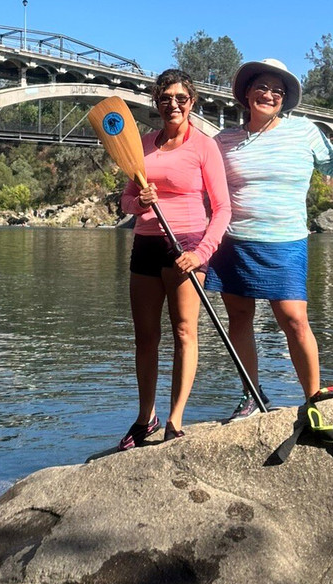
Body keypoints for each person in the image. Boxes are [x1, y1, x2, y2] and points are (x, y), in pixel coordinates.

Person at [204, 58, 333, 419]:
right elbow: (204, 189)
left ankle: (314, 398)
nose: (269, 94)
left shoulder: (304, 131)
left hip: (285, 241)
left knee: (294, 320)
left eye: (277, 90)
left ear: (285, 99)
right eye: (261, 87)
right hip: (234, 241)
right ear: (247, 93)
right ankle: (252, 395)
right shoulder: (222, 141)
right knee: (239, 319)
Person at [116, 69, 231, 449]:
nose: (173, 105)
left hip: (188, 246)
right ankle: (144, 418)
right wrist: (139, 202)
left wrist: (201, 253)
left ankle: (175, 419)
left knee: (185, 332)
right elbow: (126, 200)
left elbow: (222, 208)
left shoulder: (204, 146)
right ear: (157, 103)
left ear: (191, 102)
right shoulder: (142, 144)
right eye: (165, 98)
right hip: (147, 244)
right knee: (145, 338)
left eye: (180, 98)